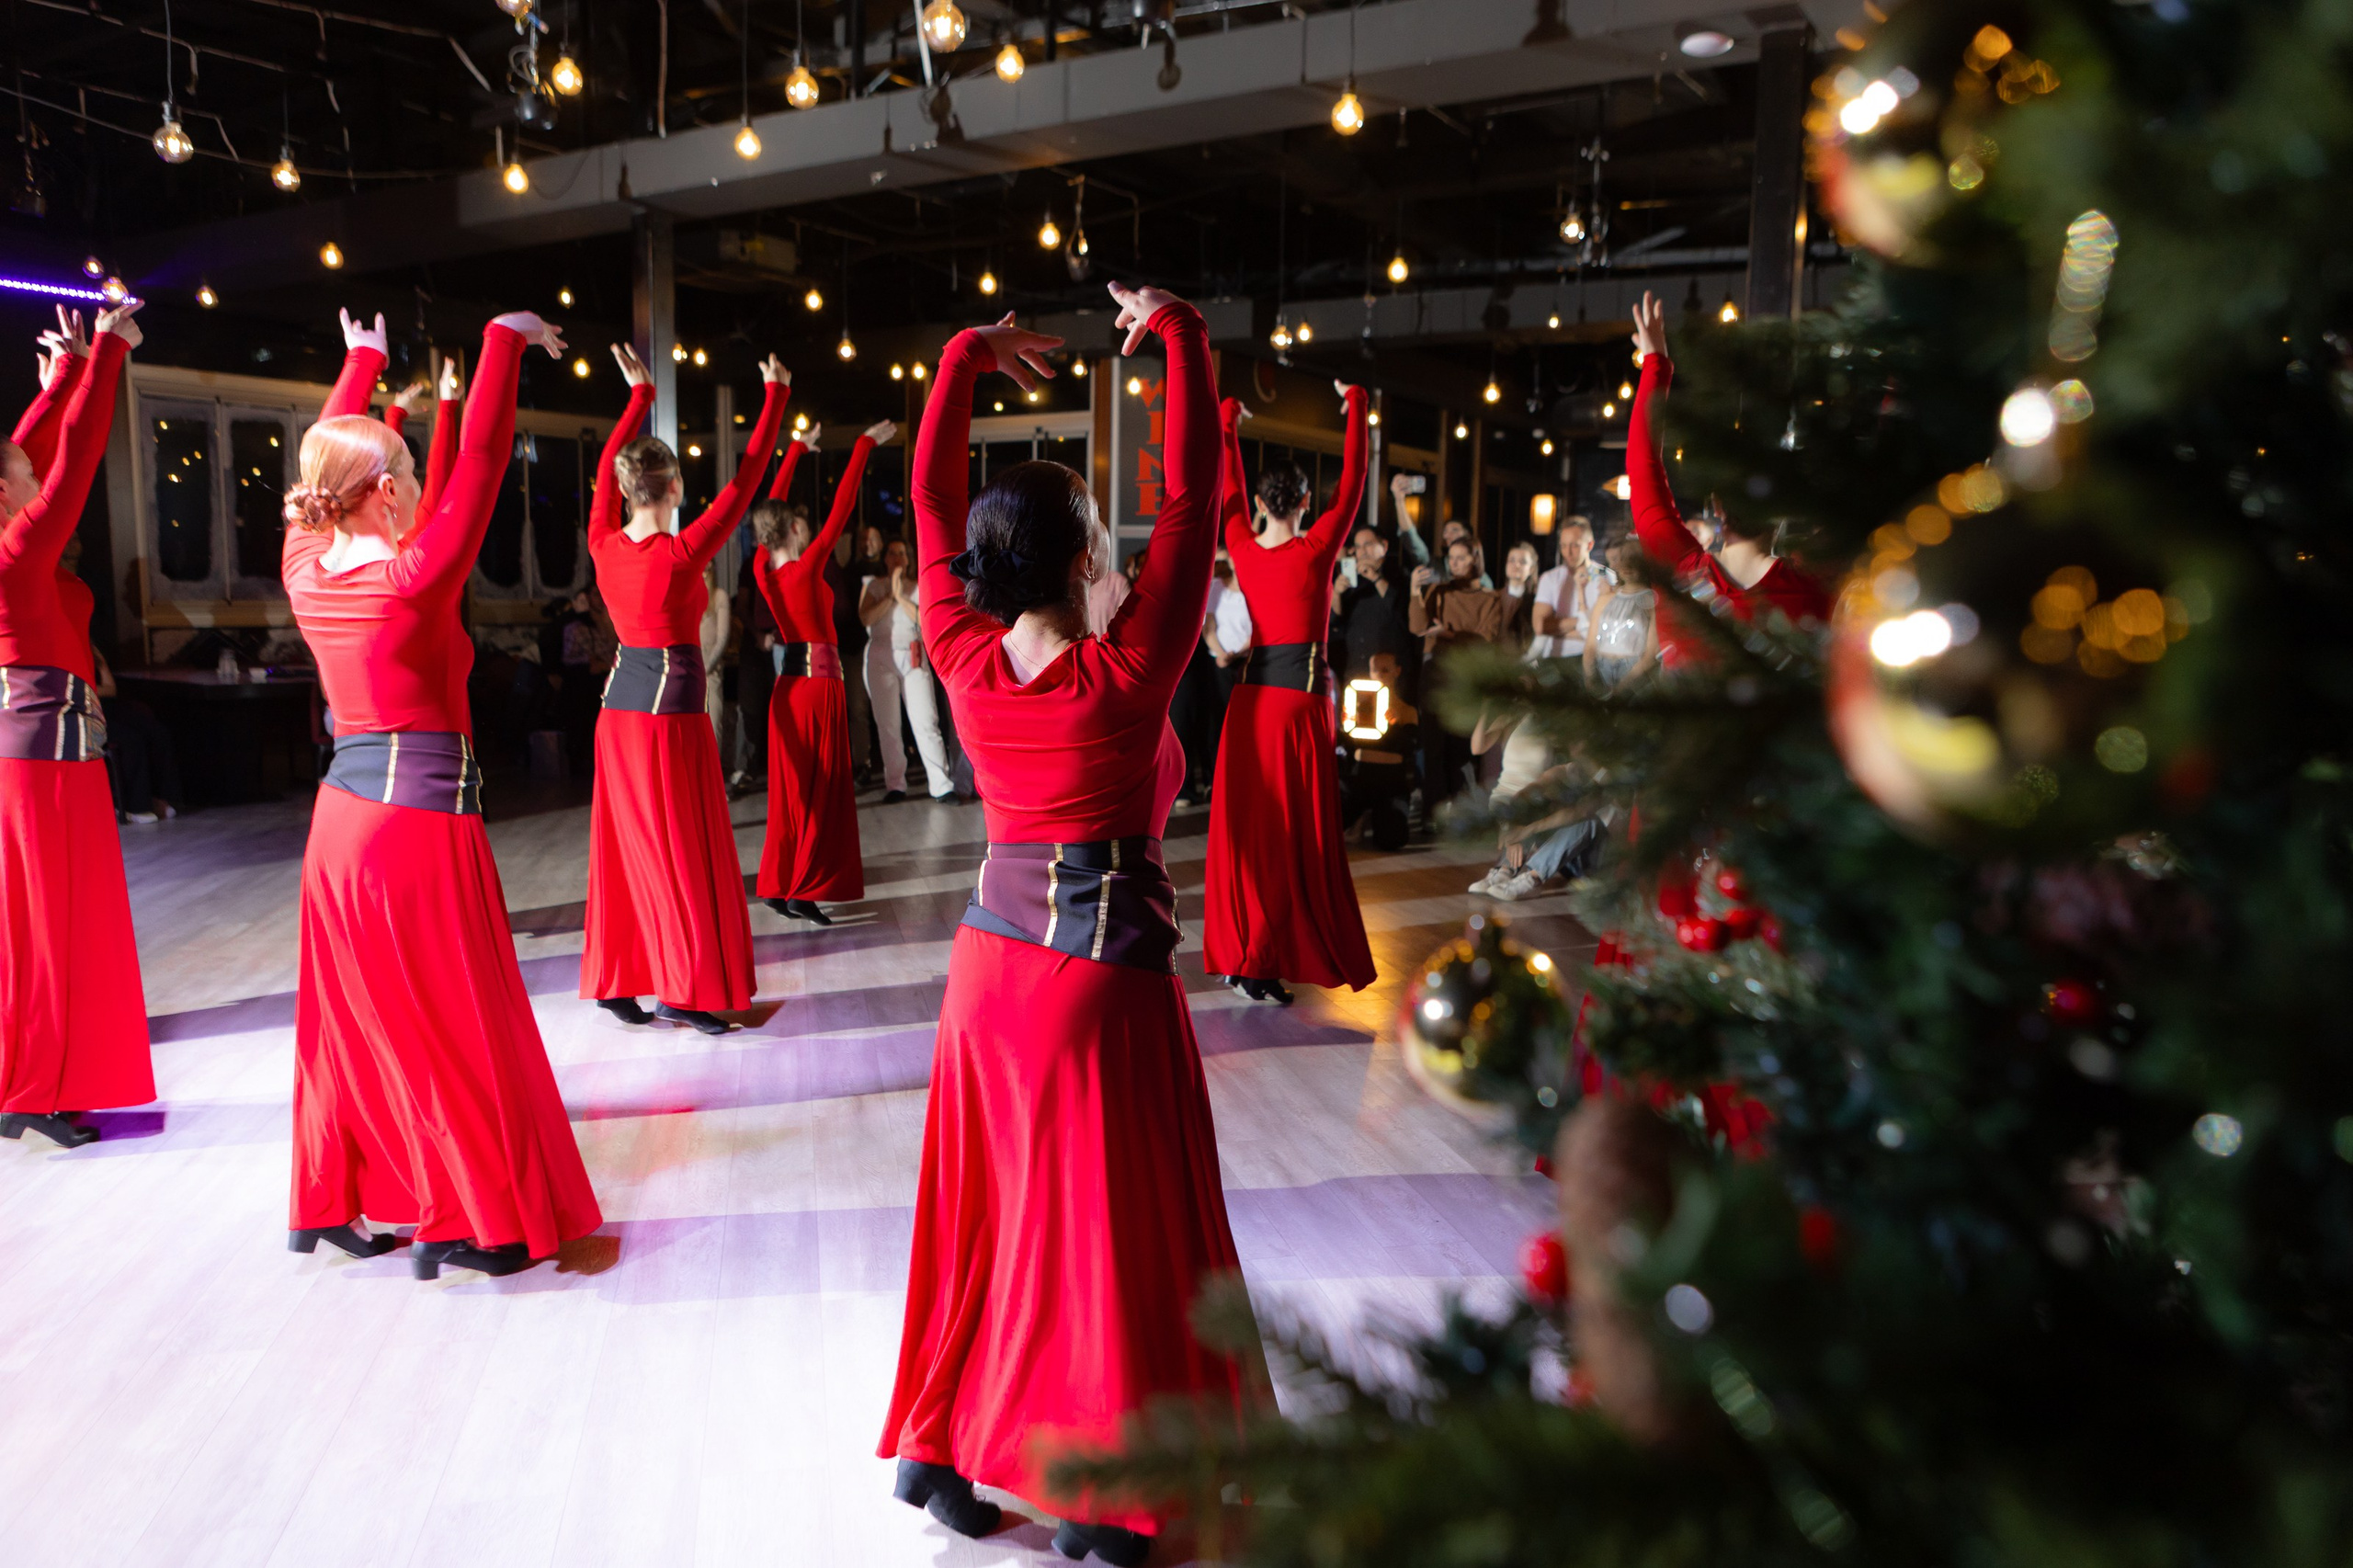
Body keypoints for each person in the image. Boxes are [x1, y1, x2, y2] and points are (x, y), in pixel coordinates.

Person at [881, 287, 1247, 1567]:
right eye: (1105, 539)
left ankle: (941, 1451)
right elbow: (1198, 503)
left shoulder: (961, 650)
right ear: (1091, 559)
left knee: (994, 1220)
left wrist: (962, 356)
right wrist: (1183, 339)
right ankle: (1098, 1494)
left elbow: (930, 501)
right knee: (1092, 1237)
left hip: (986, 974)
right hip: (1100, 978)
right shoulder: (1131, 668)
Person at [282, 305, 601, 1278]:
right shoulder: (412, 578)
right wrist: (500, 346)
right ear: (381, 492)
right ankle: (470, 1217)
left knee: (354, 1026)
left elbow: (328, 464)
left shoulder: (303, 566)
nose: (423, 483)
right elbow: (489, 463)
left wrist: (361, 362)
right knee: (450, 1024)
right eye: (407, 472)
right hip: (417, 828)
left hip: (338, 828)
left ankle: (335, 1200)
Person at [580, 343, 787, 1035]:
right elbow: (748, 480)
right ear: (672, 489)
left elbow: (602, 489)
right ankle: (680, 988)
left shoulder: (603, 541)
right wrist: (774, 398)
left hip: (618, 713)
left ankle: (618, 981)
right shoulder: (680, 551)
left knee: (625, 851)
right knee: (678, 855)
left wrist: (636, 400)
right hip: (669, 719)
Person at [0, 298, 153, 1150]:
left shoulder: (12, 547)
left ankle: (28, 1083)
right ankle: (34, 1088)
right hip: (43, 758)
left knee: (34, 923)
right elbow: (71, 465)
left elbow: (37, 451)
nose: (37, 473)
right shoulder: (18, 553)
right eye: (22, 473)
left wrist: (61, 378)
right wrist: (105, 358)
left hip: (39, 752)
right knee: (47, 925)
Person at [1203, 382, 1373, 1006]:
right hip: (1300, 706)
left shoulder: (1243, 548)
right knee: (1294, 837)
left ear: (1260, 502)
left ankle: (1250, 956)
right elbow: (1354, 476)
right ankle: (1262, 956)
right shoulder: (1318, 548)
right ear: (1305, 501)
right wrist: (1355, 402)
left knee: (1252, 836)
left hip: (1251, 706)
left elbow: (1225, 491)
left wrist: (1228, 422)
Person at [1628, 290, 1831, 659]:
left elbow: (1641, 465)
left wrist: (1656, 363)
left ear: (1718, 507)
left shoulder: (1679, 573)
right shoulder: (1818, 590)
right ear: (1785, 510)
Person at [749, 418, 891, 925]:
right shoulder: (806, 566)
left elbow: (771, 508)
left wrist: (792, 452)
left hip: (790, 689)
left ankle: (781, 884)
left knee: (793, 794)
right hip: (817, 688)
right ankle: (802, 888)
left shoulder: (762, 573)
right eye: (798, 522)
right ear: (791, 528)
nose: (807, 525)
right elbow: (844, 505)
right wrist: (863, 444)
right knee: (819, 792)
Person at [1409, 536, 1506, 804]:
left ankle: (1460, 814)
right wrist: (1415, 591)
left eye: (1461, 557)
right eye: (1451, 558)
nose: (1455, 563)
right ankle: (1433, 813)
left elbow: (1486, 640)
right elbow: (1417, 627)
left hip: (1465, 678)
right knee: (1433, 747)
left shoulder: (1490, 598)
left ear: (1476, 557)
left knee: (1462, 750)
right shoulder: (1439, 591)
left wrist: (1448, 634)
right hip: (1436, 675)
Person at [861, 536, 953, 802]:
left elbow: (923, 621)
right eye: (892, 553)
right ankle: (896, 784)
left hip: (913, 656)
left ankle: (941, 784)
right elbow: (866, 617)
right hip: (880, 657)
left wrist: (901, 595)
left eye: (901, 553)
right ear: (885, 558)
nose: (896, 558)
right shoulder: (872, 585)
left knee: (926, 719)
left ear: (909, 558)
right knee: (888, 724)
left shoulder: (919, 587)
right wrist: (891, 593)